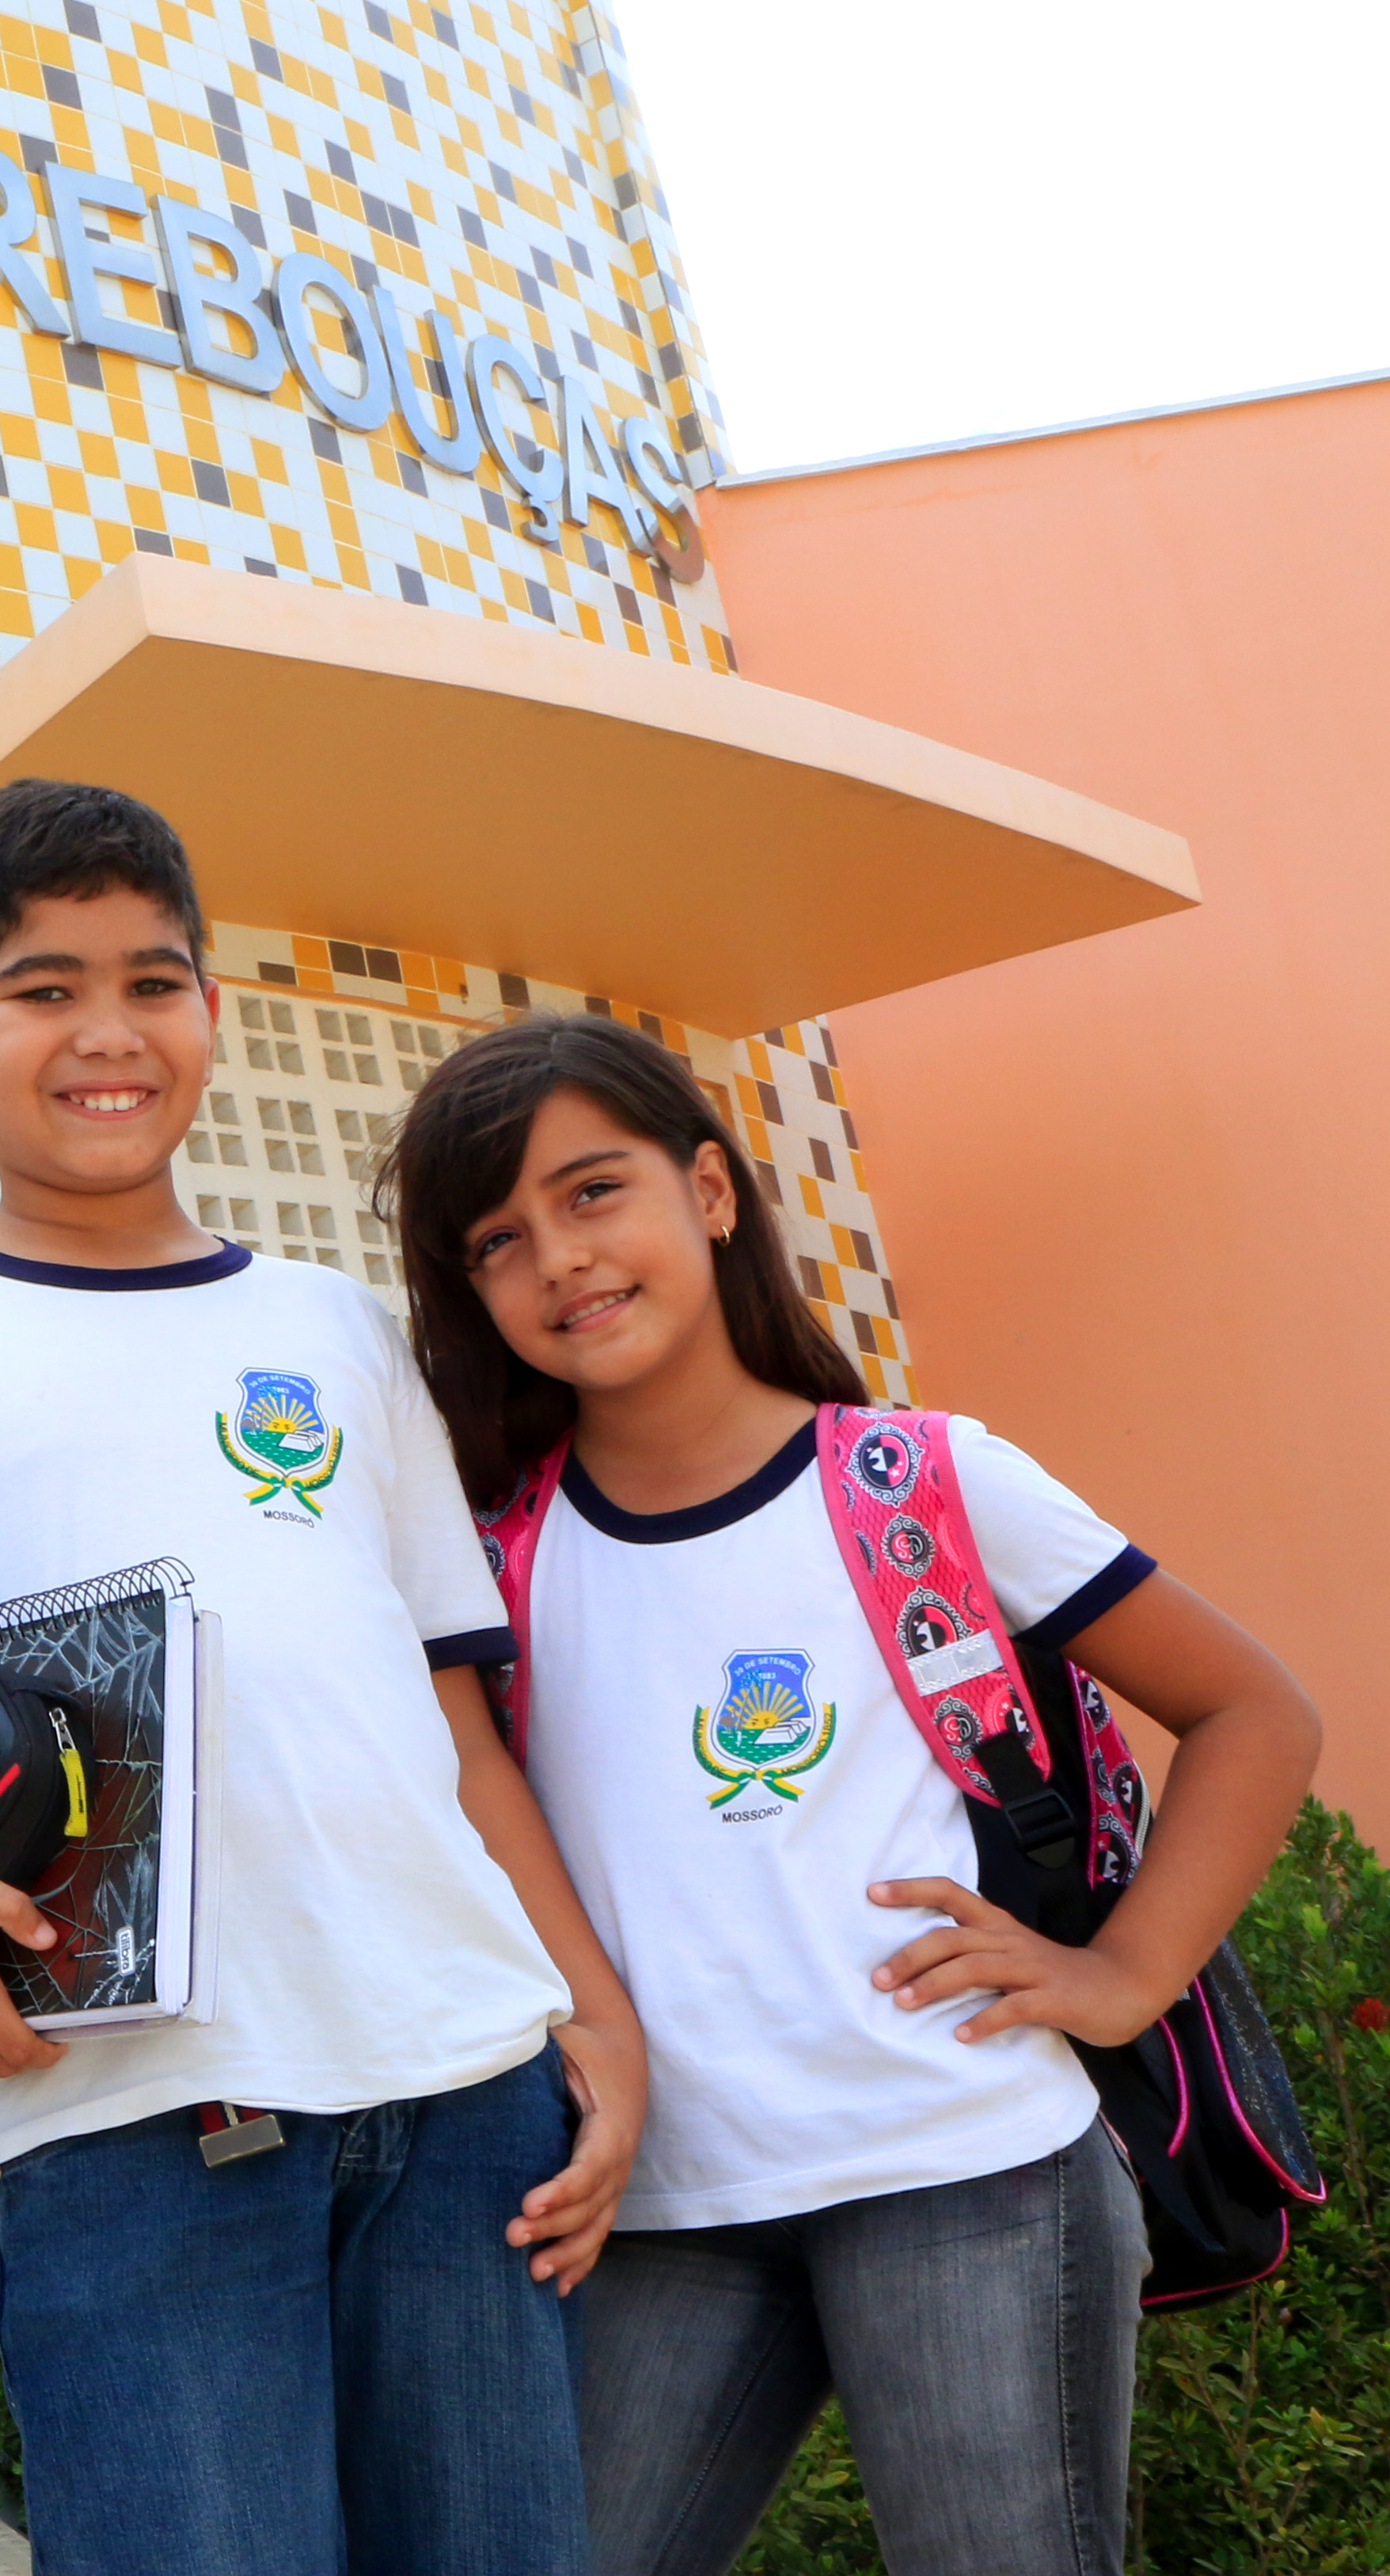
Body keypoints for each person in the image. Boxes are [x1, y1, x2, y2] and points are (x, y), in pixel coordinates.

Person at [0, 780, 645, 2576]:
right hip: (118, 2113)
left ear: (211, 1010)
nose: (107, 1032)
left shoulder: (338, 1329)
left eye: (154, 980)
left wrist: (585, 2006)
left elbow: (451, 1716)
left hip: (461, 2093)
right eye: (43, 989)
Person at [384, 1012, 1319, 2576]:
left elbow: (1251, 1713)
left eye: (594, 1192)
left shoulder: (924, 1482)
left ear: (711, 1193)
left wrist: (1118, 1978)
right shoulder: (496, 1563)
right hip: (664, 2207)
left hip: (968, 2174)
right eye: (498, 1237)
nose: (558, 1257)